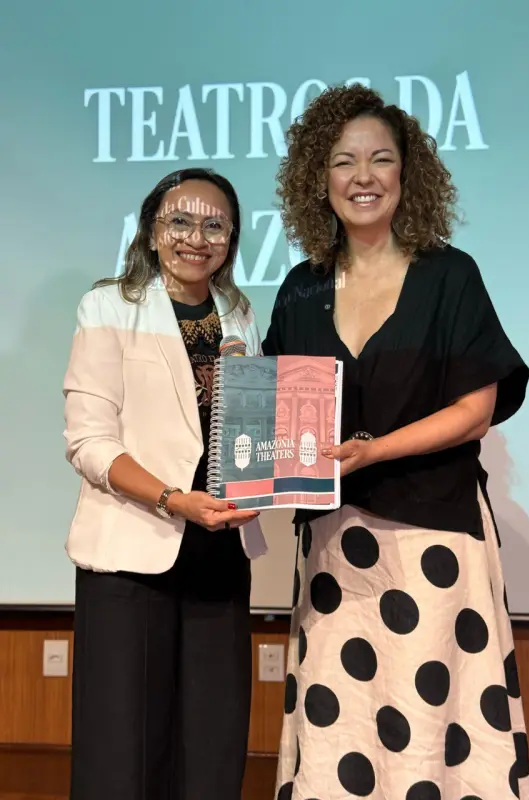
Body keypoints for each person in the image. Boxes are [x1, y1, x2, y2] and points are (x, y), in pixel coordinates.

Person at [263, 85, 529, 800]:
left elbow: (475, 411)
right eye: (343, 160)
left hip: (433, 540)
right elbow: (277, 421)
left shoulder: (449, 275)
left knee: (430, 732)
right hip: (334, 549)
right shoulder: (299, 289)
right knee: (338, 733)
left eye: (380, 158)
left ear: (407, 173)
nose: (363, 176)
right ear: (318, 179)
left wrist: (375, 450)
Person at [63, 168, 266, 800]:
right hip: (131, 555)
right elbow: (90, 442)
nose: (196, 238)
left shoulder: (239, 313)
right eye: (180, 221)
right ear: (152, 230)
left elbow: (255, 430)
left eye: (215, 225)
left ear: (232, 239)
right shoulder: (108, 306)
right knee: (121, 756)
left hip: (221, 552)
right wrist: (174, 500)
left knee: (212, 751)